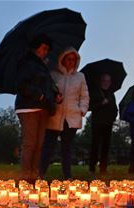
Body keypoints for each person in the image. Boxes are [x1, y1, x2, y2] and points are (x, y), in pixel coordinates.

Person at [15, 34, 61, 183]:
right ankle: (25, 176)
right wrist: (39, 95)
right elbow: (22, 85)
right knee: (31, 142)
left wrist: (55, 95)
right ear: (36, 47)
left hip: (43, 108)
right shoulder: (26, 63)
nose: (46, 51)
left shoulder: (42, 65)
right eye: (44, 48)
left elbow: (46, 85)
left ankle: (34, 175)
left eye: (48, 49)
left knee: (39, 143)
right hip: (28, 107)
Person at [39, 47, 89, 179]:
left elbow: (84, 95)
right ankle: (40, 173)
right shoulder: (54, 74)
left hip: (71, 117)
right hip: (55, 115)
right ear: (63, 60)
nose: (71, 62)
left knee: (66, 148)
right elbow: (48, 90)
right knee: (48, 146)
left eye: (73, 60)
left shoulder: (80, 77)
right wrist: (54, 98)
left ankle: (68, 176)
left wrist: (82, 110)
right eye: (68, 59)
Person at [88, 74, 118, 175]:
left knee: (106, 146)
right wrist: (101, 103)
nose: (106, 83)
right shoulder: (95, 93)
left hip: (108, 123)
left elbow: (115, 107)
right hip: (97, 122)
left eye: (108, 81)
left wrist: (113, 117)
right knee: (95, 145)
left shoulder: (111, 94)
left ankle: (103, 168)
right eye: (104, 80)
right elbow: (90, 106)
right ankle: (92, 168)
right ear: (101, 81)